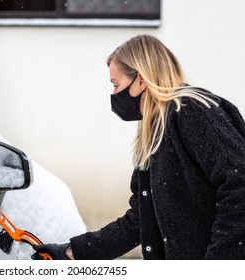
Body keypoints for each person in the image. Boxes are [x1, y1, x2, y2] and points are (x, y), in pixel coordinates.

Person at [32, 34, 245, 260]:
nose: (114, 95)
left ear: (141, 81)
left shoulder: (192, 111)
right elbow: (142, 219)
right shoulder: (157, 132)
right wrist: (74, 251)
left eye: (116, 84)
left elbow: (239, 183)